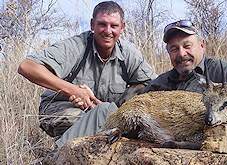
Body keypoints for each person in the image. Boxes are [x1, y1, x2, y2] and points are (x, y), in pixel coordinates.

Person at [18, 1, 157, 148]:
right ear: (92, 25)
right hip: (62, 109)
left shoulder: (129, 53)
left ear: (122, 27)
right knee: (85, 121)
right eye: (102, 24)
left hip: (106, 111)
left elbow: (154, 85)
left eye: (114, 26)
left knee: (138, 97)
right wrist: (73, 90)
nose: (108, 31)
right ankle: (58, 156)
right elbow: (26, 66)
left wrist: (107, 108)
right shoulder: (76, 46)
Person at [143, 19, 227, 96]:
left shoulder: (222, 72)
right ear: (168, 52)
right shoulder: (159, 85)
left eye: (187, 46)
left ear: (202, 45)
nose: (181, 54)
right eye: (174, 49)